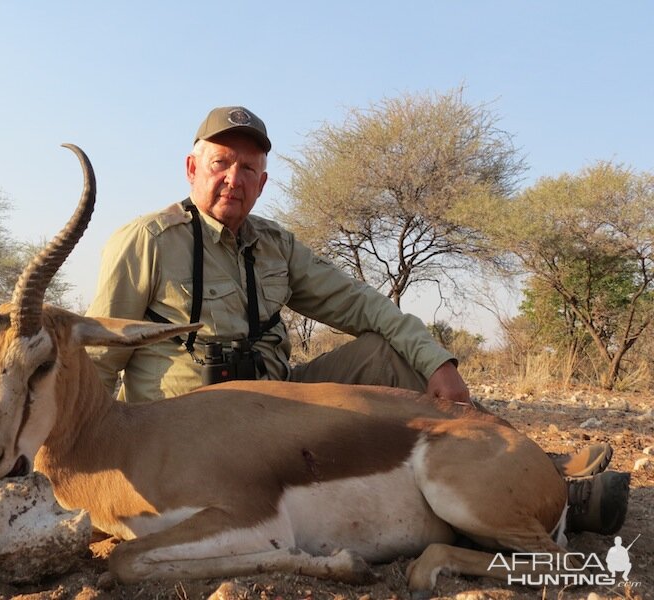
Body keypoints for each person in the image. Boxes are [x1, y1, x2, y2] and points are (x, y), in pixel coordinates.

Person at [86, 105, 628, 535]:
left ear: (263, 181)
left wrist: (437, 361)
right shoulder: (146, 242)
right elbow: (97, 363)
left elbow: (362, 305)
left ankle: (529, 468)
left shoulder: (275, 245)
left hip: (277, 410)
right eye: (221, 162)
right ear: (192, 168)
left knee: (390, 353)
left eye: (247, 168)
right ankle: (552, 499)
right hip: (187, 433)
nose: (233, 178)